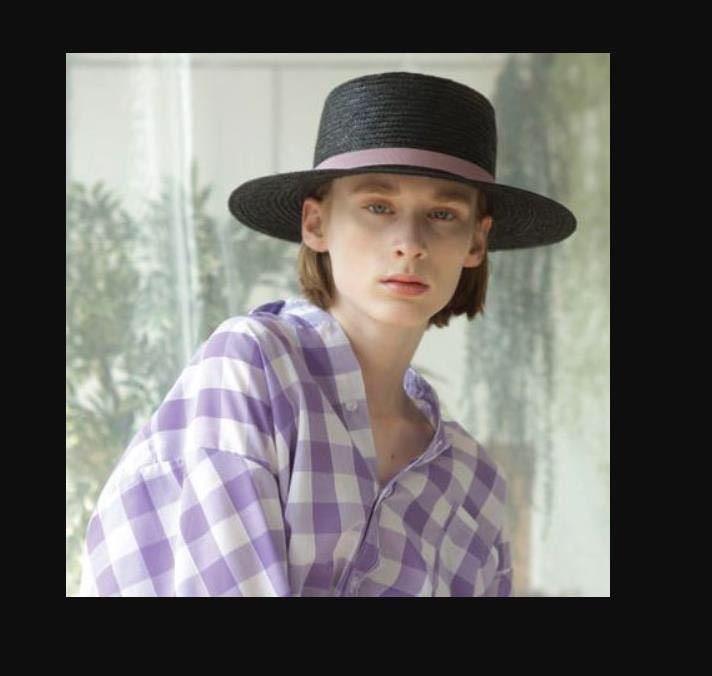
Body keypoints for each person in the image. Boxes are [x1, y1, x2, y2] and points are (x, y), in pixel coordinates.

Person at [79, 71, 576, 597]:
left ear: (476, 242)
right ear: (315, 224)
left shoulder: (474, 483)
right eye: (378, 206)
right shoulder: (253, 367)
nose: (410, 242)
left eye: (442, 213)